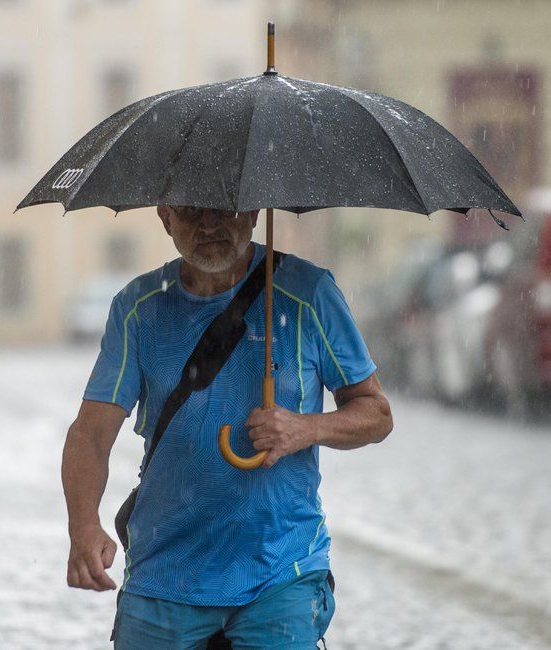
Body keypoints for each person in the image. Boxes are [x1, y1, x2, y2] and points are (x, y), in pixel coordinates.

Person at [63, 205, 393, 648]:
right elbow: (90, 433)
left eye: (225, 208)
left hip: (281, 571)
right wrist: (83, 526)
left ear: (255, 211)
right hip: (164, 574)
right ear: (165, 218)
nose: (209, 224)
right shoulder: (138, 309)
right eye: (191, 211)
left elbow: (376, 413)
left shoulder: (308, 293)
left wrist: (306, 428)